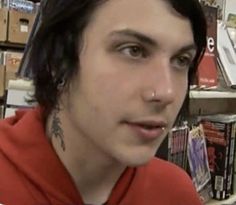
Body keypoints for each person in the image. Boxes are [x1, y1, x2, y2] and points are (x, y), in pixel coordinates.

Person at [0, 0, 207, 204]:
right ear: (59, 58)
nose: (166, 92)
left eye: (181, 60)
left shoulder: (175, 194)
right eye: (133, 50)